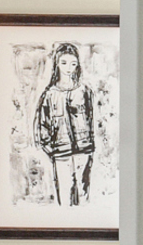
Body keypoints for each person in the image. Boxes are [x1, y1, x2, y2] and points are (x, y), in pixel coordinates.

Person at [33, 41, 96, 206]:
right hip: (60, 154)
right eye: (64, 63)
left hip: (84, 151)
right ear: (57, 64)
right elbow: (41, 126)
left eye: (73, 64)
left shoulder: (84, 92)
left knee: (83, 196)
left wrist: (88, 144)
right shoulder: (49, 95)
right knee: (65, 198)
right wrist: (51, 149)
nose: (69, 68)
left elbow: (90, 120)